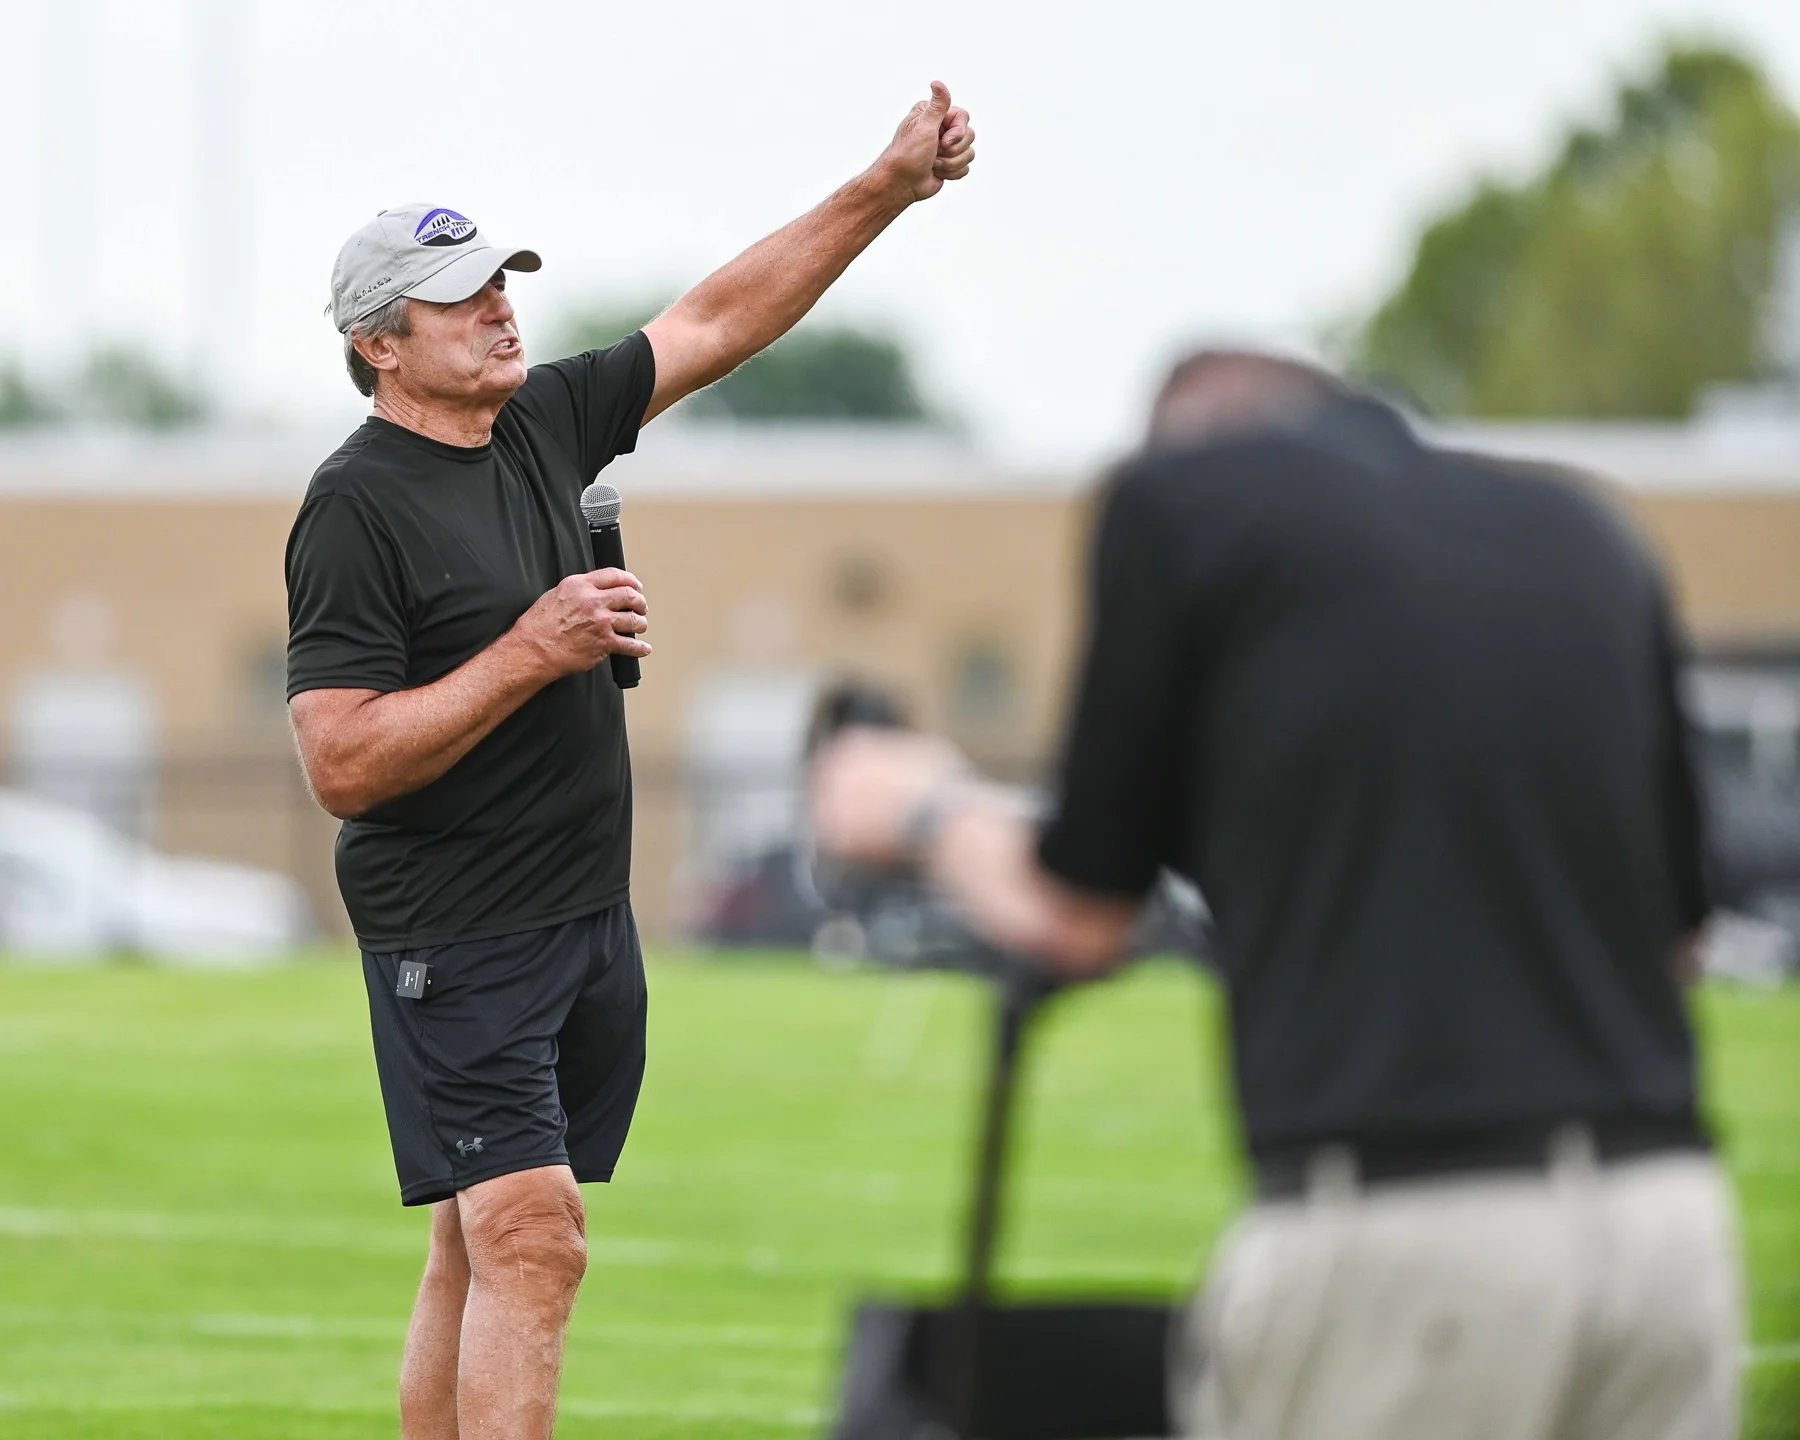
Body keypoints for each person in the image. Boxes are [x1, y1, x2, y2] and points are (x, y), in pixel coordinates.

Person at [812, 350, 1742, 1440]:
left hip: (1407, 1228)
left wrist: (921, 808)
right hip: (1671, 1227)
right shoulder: (1586, 529)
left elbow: (1078, 913)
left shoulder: (1185, 503)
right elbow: (1679, 940)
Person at [285, 84, 974, 1440]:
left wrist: (885, 189)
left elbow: (719, 317)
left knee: (480, 1244)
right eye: (457, 295)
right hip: (457, 925)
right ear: (378, 343)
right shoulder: (351, 507)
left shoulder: (542, 420)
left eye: (499, 281)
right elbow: (342, 762)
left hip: (584, 916)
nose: (499, 308)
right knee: (535, 1236)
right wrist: (534, 649)